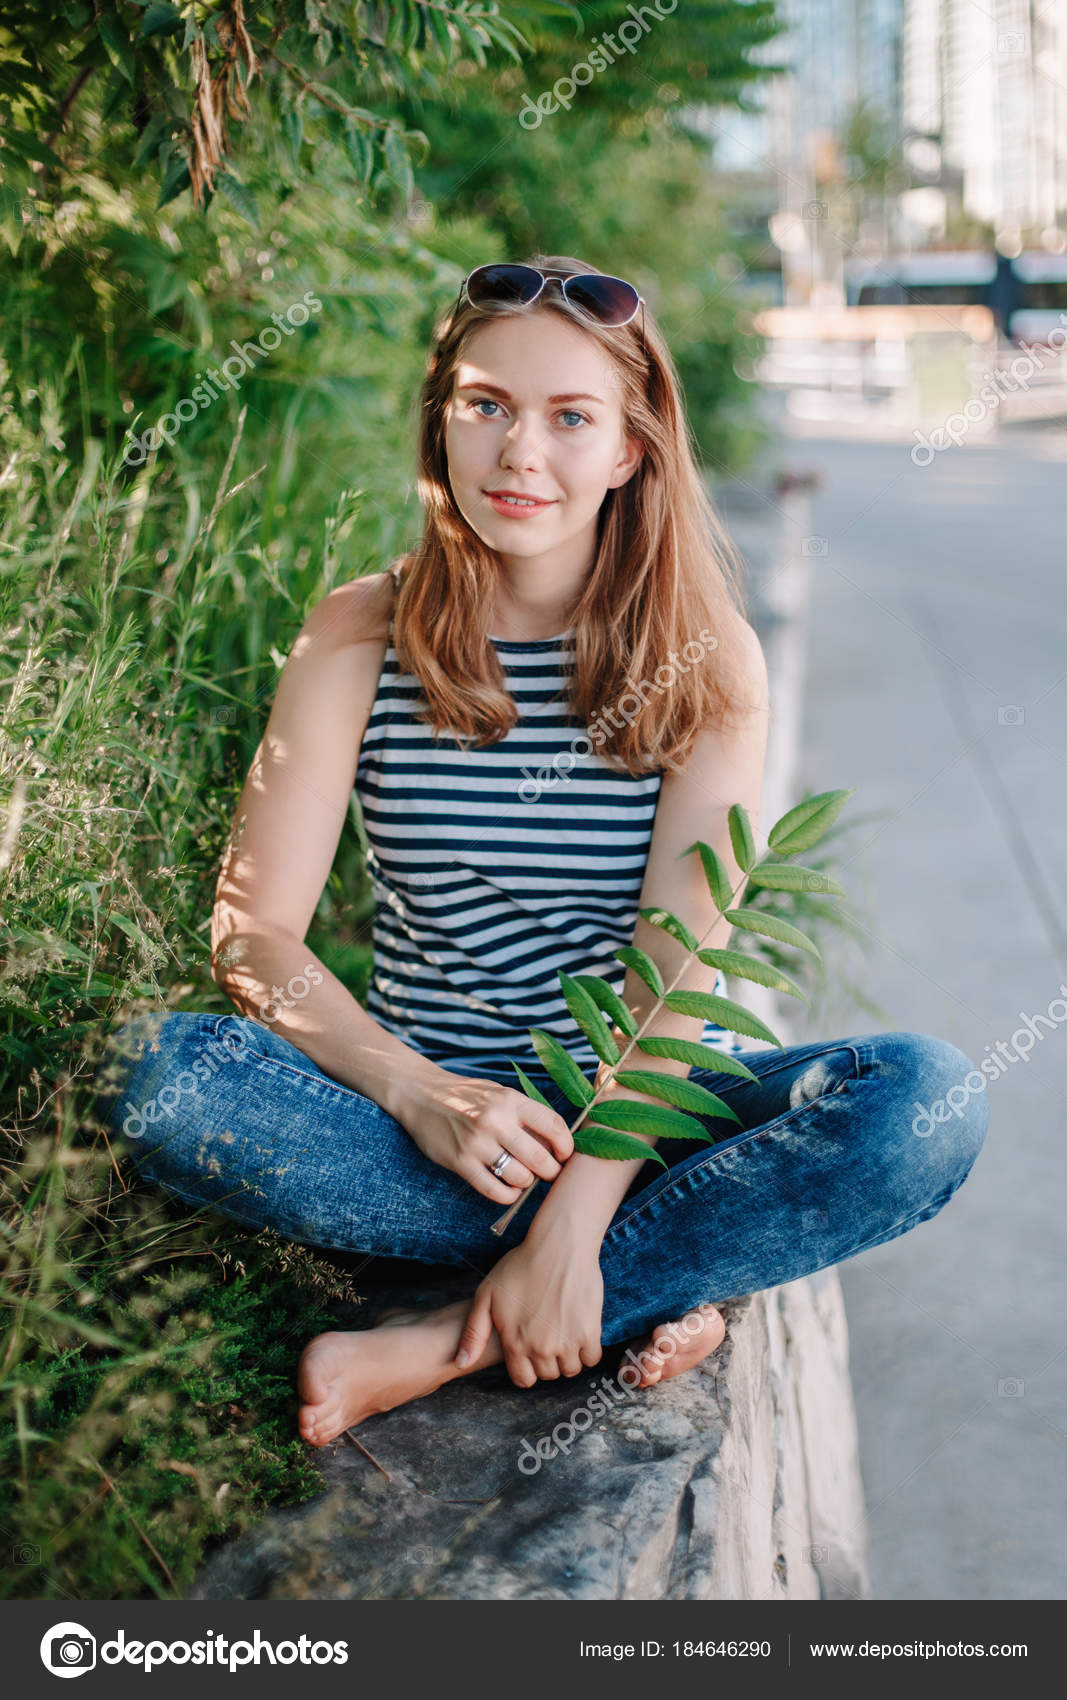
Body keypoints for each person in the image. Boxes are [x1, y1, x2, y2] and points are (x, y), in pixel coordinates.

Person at [99, 256, 989, 1449]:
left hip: (649, 1110)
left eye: (571, 418)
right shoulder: (357, 629)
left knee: (923, 1104)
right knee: (162, 1074)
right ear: (443, 422)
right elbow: (251, 932)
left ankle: (454, 1333)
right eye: (486, 405)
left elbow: (671, 973)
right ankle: (674, 1272)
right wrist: (423, 1095)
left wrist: (574, 1219)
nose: (521, 453)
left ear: (629, 449)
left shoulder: (701, 653)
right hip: (425, 1134)